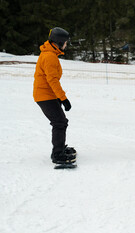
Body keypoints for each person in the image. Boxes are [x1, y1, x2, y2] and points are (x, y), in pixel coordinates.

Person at [33, 27, 76, 165]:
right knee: (59, 122)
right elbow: (52, 80)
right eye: (65, 42)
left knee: (61, 121)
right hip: (44, 95)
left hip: (48, 94)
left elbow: (50, 80)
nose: (66, 45)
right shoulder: (49, 56)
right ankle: (58, 154)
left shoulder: (50, 54)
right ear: (59, 42)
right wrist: (63, 98)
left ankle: (60, 148)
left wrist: (58, 97)